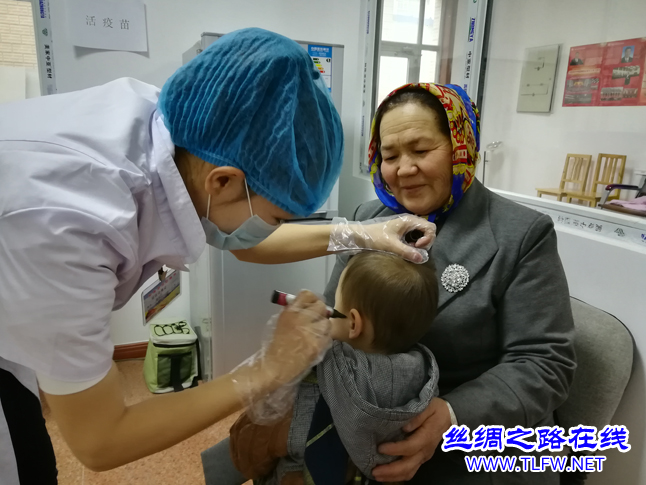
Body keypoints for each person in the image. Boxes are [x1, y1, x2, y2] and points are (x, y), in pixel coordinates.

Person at [0, 28, 435, 484]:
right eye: (277, 217)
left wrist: (363, 233)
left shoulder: (178, 129)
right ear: (223, 182)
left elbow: (245, 240)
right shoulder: (68, 226)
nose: (274, 230)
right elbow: (100, 439)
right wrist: (266, 369)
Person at [320, 83, 576, 484]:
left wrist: (451, 417)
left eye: (421, 150)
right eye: (390, 156)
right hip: (374, 417)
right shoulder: (368, 218)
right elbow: (334, 316)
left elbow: (545, 364)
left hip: (479, 446)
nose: (404, 169)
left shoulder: (521, 234)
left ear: (461, 147)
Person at [204, 251, 439, 484]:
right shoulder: (424, 389)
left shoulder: (313, 383)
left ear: (354, 324)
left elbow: (247, 450)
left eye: (335, 303)